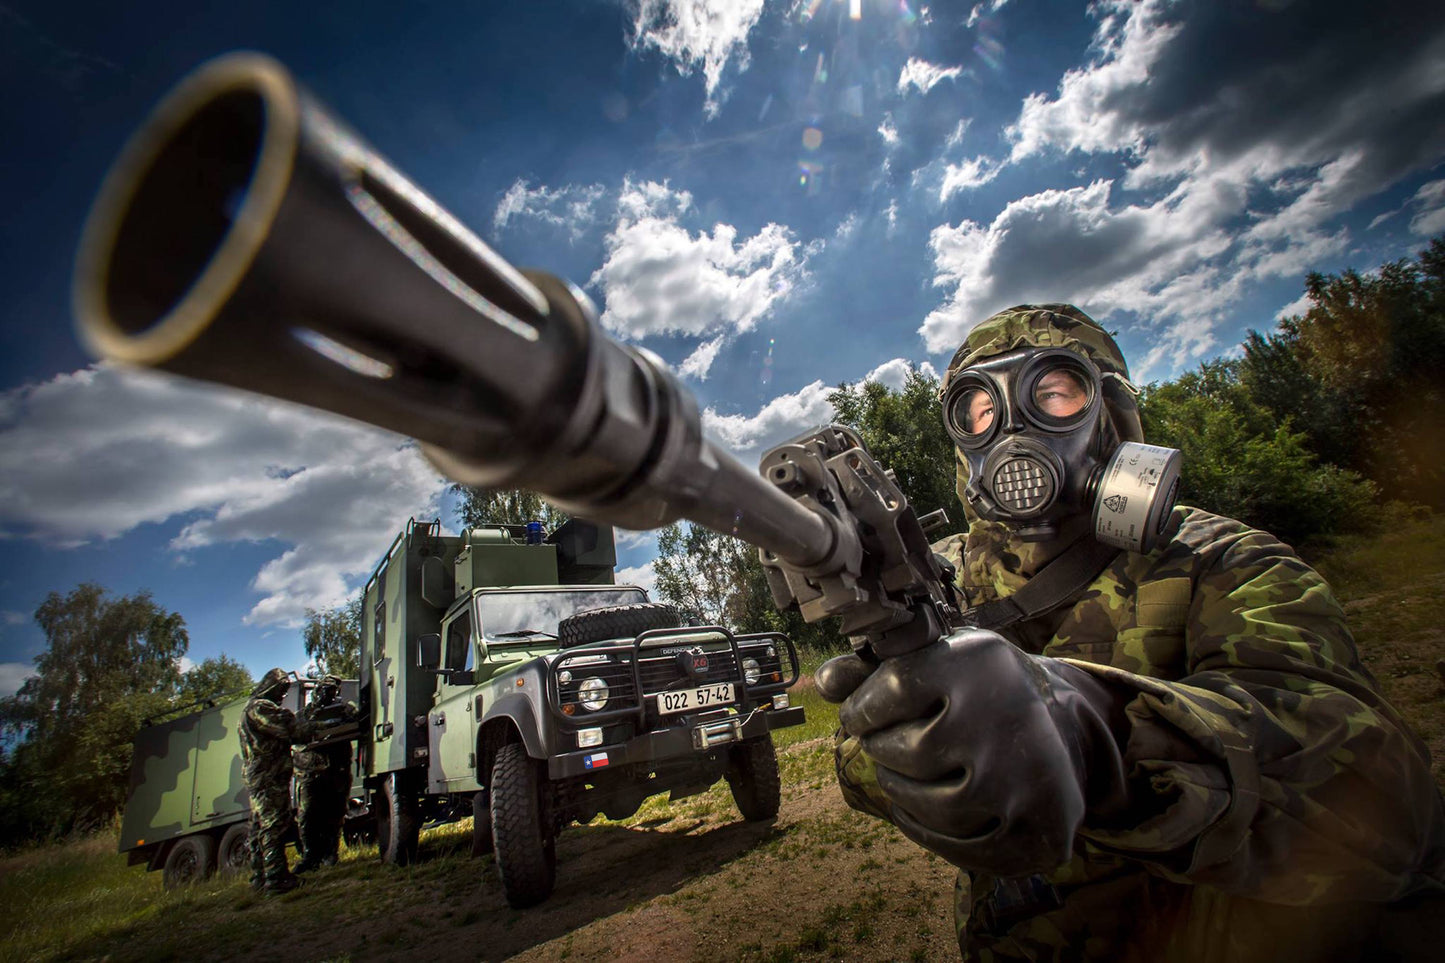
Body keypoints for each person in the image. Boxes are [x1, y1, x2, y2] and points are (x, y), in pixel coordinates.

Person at [817, 304, 1445, 961]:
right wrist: (905, 743)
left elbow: (1382, 795)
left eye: (1054, 393)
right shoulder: (939, 578)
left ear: (1113, 419)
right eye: (978, 410)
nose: (1010, 429)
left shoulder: (1219, 558)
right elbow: (858, 753)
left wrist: (1102, 740)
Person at [239, 667, 315, 895]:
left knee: (258, 827)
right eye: (281, 690)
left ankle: (259, 877)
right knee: (274, 825)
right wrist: (312, 726)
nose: (283, 696)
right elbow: (289, 729)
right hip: (268, 777)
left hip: (261, 777)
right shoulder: (260, 707)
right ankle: (276, 878)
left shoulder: (250, 708)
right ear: (270, 687)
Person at [293, 675, 359, 873]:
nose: (328, 694)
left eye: (332, 690)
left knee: (335, 814)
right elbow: (295, 735)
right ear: (317, 690)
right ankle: (310, 856)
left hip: (337, 770)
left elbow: (356, 722)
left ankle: (331, 854)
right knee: (308, 815)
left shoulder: (344, 709)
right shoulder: (303, 714)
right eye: (325, 689)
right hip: (311, 772)